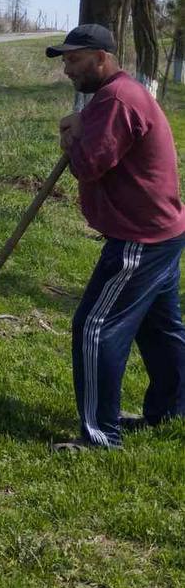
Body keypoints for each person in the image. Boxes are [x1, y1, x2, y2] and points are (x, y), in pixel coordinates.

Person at [48, 24, 185, 450]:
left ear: (102, 58)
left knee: (94, 326)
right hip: (163, 232)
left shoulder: (119, 98)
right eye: (66, 61)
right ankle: (173, 409)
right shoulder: (115, 95)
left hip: (139, 240)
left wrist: (71, 137)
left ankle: (99, 437)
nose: (68, 69)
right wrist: (79, 125)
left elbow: (89, 165)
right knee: (160, 329)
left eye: (74, 60)